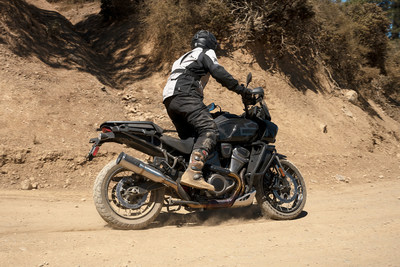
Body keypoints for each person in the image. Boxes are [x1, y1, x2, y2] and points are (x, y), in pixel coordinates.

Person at [162, 30, 252, 191]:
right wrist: (240, 89)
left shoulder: (182, 59)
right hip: (185, 95)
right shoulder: (205, 52)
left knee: (191, 140)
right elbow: (217, 71)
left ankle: (192, 188)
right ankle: (194, 172)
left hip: (170, 99)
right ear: (211, 44)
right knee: (209, 130)